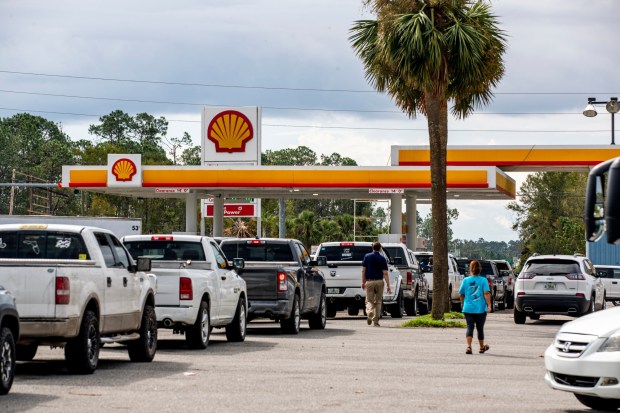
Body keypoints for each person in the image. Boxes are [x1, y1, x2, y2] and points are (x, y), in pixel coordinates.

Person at [458, 260, 492, 354]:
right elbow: (486, 293)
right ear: (480, 269)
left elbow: (461, 294)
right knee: (480, 328)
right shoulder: (483, 280)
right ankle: (481, 347)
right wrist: (489, 305)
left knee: (470, 327)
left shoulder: (465, 280)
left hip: (468, 308)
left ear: (471, 269)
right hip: (480, 309)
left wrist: (462, 303)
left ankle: (469, 347)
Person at [361, 242, 391, 327]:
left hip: (369, 281)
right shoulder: (382, 259)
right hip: (380, 281)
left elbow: (363, 270)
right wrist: (388, 285)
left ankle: (370, 311)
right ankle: (376, 321)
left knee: (369, 300)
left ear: (372, 248)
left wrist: (363, 282)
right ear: (380, 249)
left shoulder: (367, 256)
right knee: (378, 301)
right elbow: (385, 273)